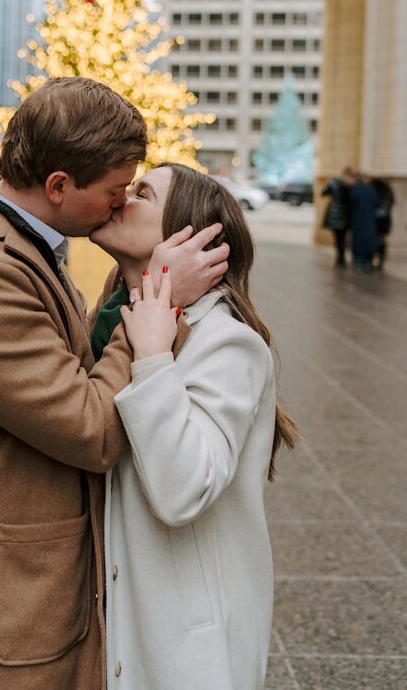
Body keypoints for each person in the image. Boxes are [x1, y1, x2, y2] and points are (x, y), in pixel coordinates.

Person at [0, 78, 229, 690]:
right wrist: (156, 300)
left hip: (34, 576)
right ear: (58, 186)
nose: (118, 206)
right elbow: (94, 429)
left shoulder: (22, 247)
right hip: (2, 594)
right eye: (112, 192)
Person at [89, 164, 298, 690]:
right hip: (125, 632)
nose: (120, 198)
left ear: (185, 235)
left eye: (142, 194)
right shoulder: (114, 320)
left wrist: (155, 357)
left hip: (188, 652)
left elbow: (183, 491)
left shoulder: (226, 341)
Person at [348, 171, 380, 272]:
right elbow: (377, 203)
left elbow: (350, 203)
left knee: (358, 239)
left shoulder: (356, 190)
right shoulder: (371, 190)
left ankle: (358, 261)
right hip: (369, 219)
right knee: (368, 240)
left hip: (358, 219)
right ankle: (367, 262)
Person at [321, 169, 352, 267]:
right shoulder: (350, 185)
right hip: (344, 215)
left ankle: (340, 258)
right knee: (342, 238)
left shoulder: (334, 183)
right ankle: (341, 258)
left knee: (338, 238)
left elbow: (324, 193)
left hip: (336, 215)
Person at [370, 176, 395, 269]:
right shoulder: (387, 193)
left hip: (380, 223)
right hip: (383, 223)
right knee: (380, 241)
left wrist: (374, 215)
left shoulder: (383, 194)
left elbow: (383, 211)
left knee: (379, 242)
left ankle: (378, 260)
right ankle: (379, 260)